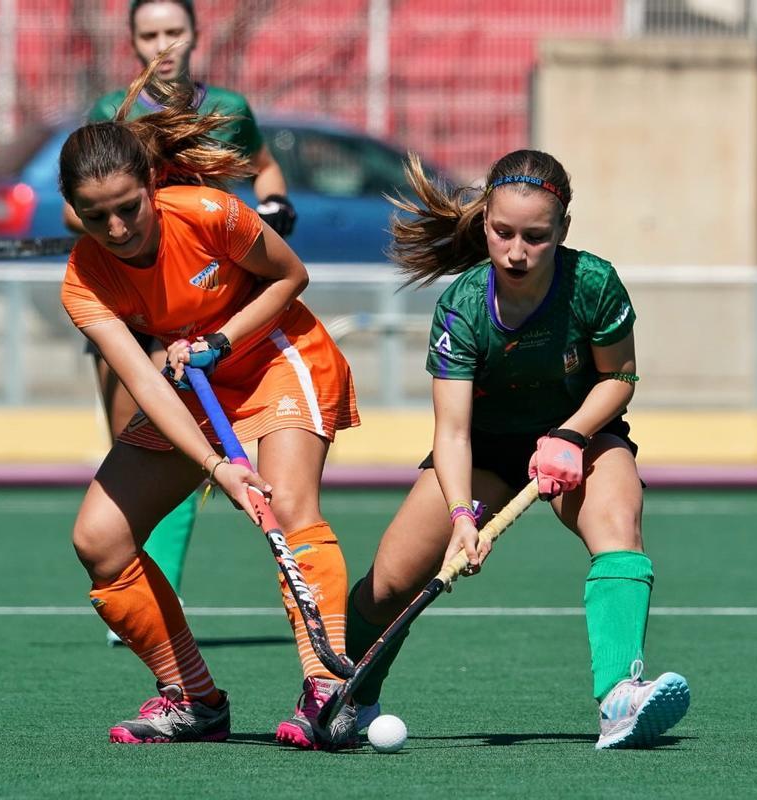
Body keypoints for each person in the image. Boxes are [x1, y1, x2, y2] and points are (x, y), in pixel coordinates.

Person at [58, 59, 361, 749]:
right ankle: (191, 696)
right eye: (96, 215)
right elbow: (142, 382)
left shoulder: (211, 212)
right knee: (99, 540)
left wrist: (221, 338)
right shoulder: (83, 281)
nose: (116, 228)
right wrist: (216, 464)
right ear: (74, 208)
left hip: (278, 354)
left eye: (128, 207)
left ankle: (327, 688)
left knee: (287, 508)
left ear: (152, 185)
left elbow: (291, 277)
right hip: (191, 387)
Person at [342, 150, 691, 749]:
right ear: (484, 225)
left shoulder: (593, 284)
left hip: (580, 435)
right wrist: (460, 516)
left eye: (536, 236)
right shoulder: (464, 306)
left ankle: (619, 698)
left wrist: (570, 434)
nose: (517, 251)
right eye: (503, 233)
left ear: (563, 231)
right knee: (389, 586)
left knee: (618, 526)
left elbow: (620, 378)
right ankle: (346, 694)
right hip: (479, 452)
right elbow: (452, 432)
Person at [71, 0, 296, 623]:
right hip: (133, 305)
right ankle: (144, 590)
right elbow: (79, 205)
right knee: (142, 439)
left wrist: (273, 205)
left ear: (196, 35)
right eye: (149, 34)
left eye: (174, 31)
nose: (163, 45)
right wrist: (117, 229)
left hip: (208, 305)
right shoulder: (109, 116)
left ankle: (161, 584)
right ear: (132, 42)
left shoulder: (228, 108)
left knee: (196, 449)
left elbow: (264, 167)